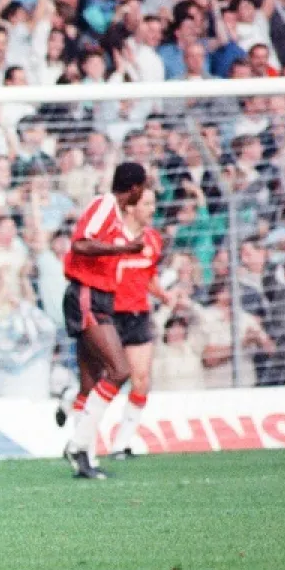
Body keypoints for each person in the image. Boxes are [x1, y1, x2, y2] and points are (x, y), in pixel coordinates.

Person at [59, 162, 149, 479]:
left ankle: (85, 458)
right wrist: (124, 248)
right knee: (119, 370)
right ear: (136, 188)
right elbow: (80, 243)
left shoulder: (115, 214)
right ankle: (78, 445)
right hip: (87, 295)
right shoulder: (105, 204)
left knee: (90, 382)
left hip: (99, 298)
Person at [108, 188, 166, 459]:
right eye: (147, 203)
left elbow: (148, 276)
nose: (153, 209)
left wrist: (163, 295)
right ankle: (70, 399)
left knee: (140, 378)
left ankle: (122, 443)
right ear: (130, 207)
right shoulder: (110, 238)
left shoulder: (153, 240)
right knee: (105, 379)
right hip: (109, 314)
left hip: (138, 314)